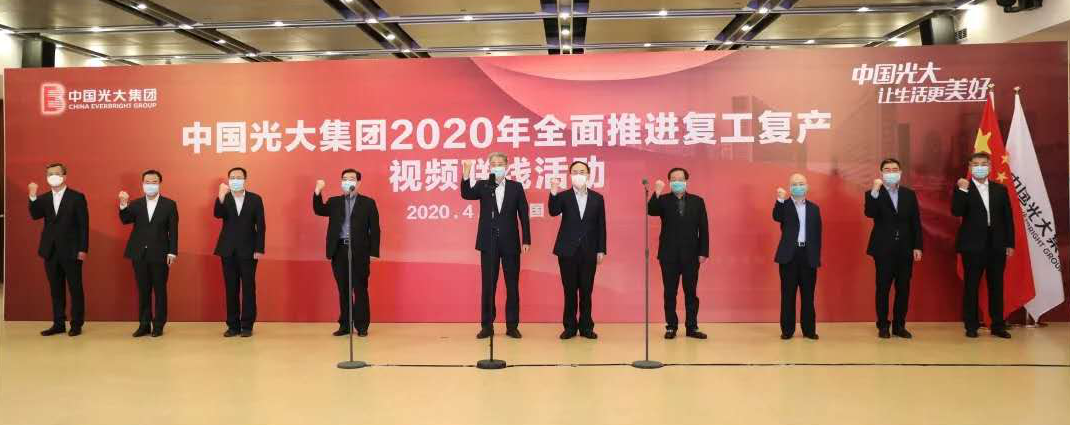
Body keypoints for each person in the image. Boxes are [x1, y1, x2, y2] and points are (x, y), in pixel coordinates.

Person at [460, 152, 531, 339]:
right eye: (494, 163)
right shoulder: (484, 185)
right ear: (489, 166)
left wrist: (526, 239)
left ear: (506, 165)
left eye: (500, 163)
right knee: (488, 286)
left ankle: (512, 326)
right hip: (488, 242)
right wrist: (466, 173)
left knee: (512, 285)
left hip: (511, 242)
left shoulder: (516, 187)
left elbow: (523, 214)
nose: (497, 166)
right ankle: (487, 326)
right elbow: (466, 194)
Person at [952, 152, 1014, 339]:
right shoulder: (964, 187)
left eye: (984, 164)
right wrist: (962, 190)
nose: (980, 167)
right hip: (972, 246)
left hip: (997, 245)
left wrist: (1009, 243)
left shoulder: (1000, 189)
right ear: (970, 167)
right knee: (971, 287)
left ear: (990, 167)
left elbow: (1008, 219)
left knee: (996, 286)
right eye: (976, 164)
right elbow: (956, 211)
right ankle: (971, 326)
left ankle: (998, 325)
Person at [312, 169, 381, 337]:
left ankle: (362, 326)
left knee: (360, 289)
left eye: (351, 179)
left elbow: (375, 229)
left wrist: (373, 252)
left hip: (360, 251)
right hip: (339, 250)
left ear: (358, 182)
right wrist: (317, 191)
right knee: (344, 290)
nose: (347, 181)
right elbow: (319, 210)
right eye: (344, 179)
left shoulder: (368, 203)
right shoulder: (335, 202)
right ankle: (345, 325)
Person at [28, 163, 89, 337]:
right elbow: (35, 215)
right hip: (50, 250)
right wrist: (32, 196)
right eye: (49, 174)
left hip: (72, 250)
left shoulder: (77, 197)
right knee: (56, 289)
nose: (53, 176)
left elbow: (83, 225)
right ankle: (58, 323)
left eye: (56, 173)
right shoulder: (44, 198)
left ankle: (76, 324)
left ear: (64, 176)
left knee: (75, 288)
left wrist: (83, 249)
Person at [864, 158, 923, 339]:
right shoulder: (874, 193)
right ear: (881, 173)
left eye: (894, 169)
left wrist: (917, 246)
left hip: (905, 248)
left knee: (903, 288)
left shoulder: (909, 194)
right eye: (887, 170)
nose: (891, 172)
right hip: (883, 249)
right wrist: (875, 191)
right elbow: (869, 213)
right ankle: (883, 325)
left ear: (900, 172)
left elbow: (915, 222)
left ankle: (899, 325)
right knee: (883, 288)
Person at [648, 167, 709, 340]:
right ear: (669, 182)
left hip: (691, 254)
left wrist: (703, 251)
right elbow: (651, 210)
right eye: (673, 179)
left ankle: (692, 327)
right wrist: (657, 192)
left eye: (680, 179)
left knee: (691, 292)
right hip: (668, 254)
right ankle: (671, 326)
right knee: (670, 292)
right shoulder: (663, 200)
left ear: (686, 181)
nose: (677, 182)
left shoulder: (697, 201)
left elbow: (704, 228)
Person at [548, 161, 606, 340]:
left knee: (586, 291)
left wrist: (601, 249)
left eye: (582, 172)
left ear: (588, 175)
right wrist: (553, 191)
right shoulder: (563, 196)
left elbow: (601, 225)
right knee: (570, 291)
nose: (579, 175)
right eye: (575, 172)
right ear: (570, 175)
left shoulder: (597, 198)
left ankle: (586, 327)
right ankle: (570, 327)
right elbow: (553, 211)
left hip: (589, 250)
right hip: (567, 250)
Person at [118, 169, 179, 337]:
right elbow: (125, 220)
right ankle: (144, 324)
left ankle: (158, 325)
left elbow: (173, 231)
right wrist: (123, 204)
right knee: (143, 290)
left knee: (160, 290)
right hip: (139, 253)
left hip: (160, 253)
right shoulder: (136, 204)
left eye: (154, 182)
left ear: (159, 184)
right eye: (147, 182)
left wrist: (172, 252)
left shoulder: (169, 204)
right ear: (142, 184)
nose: (150, 185)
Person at [213, 167, 265, 338]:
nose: (235, 180)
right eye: (232, 177)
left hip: (249, 250)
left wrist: (259, 248)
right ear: (228, 180)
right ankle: (233, 325)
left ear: (245, 179)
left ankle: (247, 325)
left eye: (239, 177)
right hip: (227, 249)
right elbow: (217, 214)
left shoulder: (255, 199)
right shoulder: (225, 198)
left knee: (249, 288)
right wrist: (220, 196)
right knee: (231, 288)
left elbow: (261, 225)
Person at [772, 173, 822, 340]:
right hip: (789, 256)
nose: (798, 186)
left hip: (808, 256)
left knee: (808, 296)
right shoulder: (784, 206)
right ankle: (787, 330)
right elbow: (776, 216)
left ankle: (809, 330)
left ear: (807, 186)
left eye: (801, 183)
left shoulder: (814, 208)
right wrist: (779, 199)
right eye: (794, 184)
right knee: (788, 295)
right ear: (790, 187)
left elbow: (818, 235)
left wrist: (816, 257)